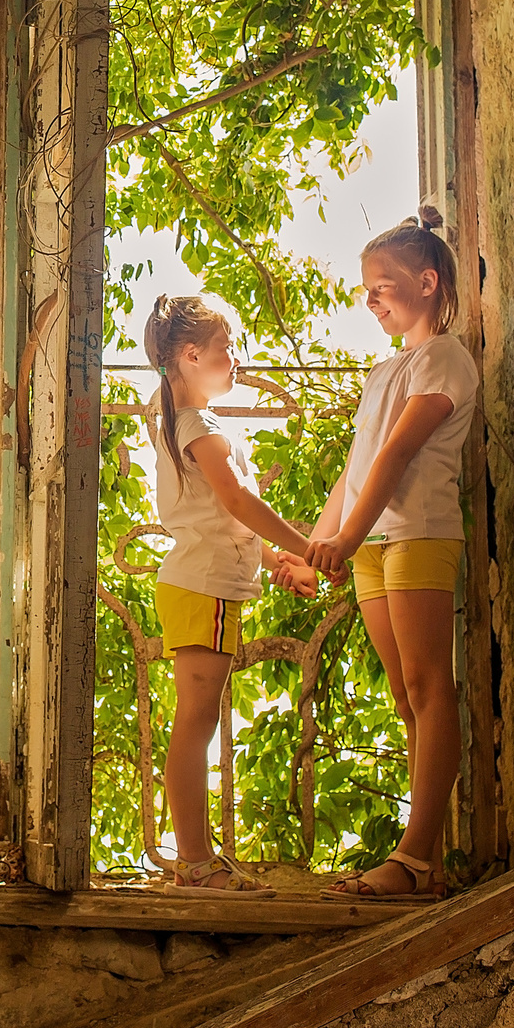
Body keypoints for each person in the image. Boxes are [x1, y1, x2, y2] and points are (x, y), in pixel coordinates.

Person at [306, 205, 479, 900]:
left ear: (428, 282)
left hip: (419, 532)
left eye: (381, 285)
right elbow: (358, 468)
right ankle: (423, 862)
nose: (369, 298)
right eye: (365, 287)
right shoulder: (387, 370)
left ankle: (412, 859)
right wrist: (320, 541)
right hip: (375, 541)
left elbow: (402, 452)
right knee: (409, 700)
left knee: (431, 686)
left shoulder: (445, 357)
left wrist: (343, 540)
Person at [139, 293, 320, 891]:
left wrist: (279, 559)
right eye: (227, 347)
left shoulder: (187, 420)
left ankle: (197, 861)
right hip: (201, 588)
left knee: (197, 723)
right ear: (191, 355)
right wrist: (307, 547)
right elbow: (239, 501)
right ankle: (196, 864)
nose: (236, 357)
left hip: (203, 585)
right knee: (195, 726)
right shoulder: (197, 425)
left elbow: (229, 519)